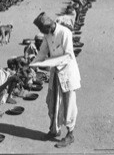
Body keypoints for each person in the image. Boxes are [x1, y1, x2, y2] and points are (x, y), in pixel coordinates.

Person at [29, 12, 81, 148]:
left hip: (67, 72)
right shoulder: (47, 35)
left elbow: (69, 55)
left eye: (43, 30)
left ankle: (70, 134)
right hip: (55, 73)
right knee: (51, 101)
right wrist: (31, 64)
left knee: (69, 104)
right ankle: (54, 130)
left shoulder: (65, 33)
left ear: (49, 26)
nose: (44, 34)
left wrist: (51, 62)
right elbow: (42, 53)